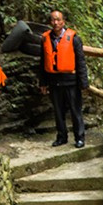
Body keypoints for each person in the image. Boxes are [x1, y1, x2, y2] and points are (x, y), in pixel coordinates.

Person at [38, 9, 87, 148]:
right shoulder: (45, 39)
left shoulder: (74, 39)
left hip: (71, 80)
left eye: (58, 20)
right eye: (53, 20)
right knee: (58, 111)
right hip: (54, 80)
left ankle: (79, 137)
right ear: (50, 22)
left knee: (75, 110)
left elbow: (80, 61)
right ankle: (61, 136)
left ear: (63, 22)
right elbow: (42, 62)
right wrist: (43, 82)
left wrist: (83, 82)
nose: (56, 22)